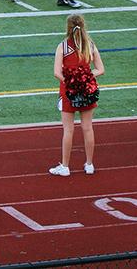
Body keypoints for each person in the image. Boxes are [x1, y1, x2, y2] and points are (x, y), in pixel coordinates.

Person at [49, 15, 105, 177]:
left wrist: (73, 82)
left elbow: (56, 72)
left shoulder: (63, 46)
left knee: (68, 130)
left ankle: (65, 166)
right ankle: (89, 165)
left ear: (68, 27)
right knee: (87, 128)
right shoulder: (90, 45)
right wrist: (85, 78)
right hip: (87, 91)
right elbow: (100, 69)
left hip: (69, 92)